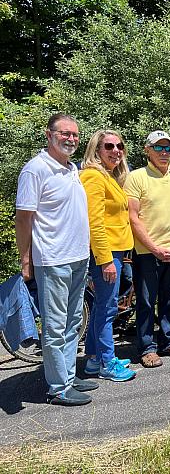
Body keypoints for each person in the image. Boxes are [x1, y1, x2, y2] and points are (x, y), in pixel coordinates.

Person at [15, 113, 96, 405]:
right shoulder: (35, 170)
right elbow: (23, 218)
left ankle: (68, 375)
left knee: (74, 321)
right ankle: (59, 388)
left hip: (77, 257)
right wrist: (26, 259)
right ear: (48, 135)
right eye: (64, 133)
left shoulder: (71, 168)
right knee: (55, 325)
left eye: (75, 134)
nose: (71, 139)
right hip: (52, 259)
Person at [125, 131, 170, 367]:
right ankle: (146, 348)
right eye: (158, 148)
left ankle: (168, 341)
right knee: (145, 300)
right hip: (146, 252)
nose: (164, 153)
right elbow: (132, 217)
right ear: (147, 150)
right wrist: (154, 248)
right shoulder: (136, 177)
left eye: (168, 148)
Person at [80, 130, 136, 381]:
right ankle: (107, 363)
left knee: (102, 306)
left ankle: (93, 359)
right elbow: (94, 222)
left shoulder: (110, 177)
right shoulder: (93, 177)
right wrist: (104, 260)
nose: (116, 150)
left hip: (116, 250)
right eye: (109, 146)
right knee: (107, 308)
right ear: (97, 150)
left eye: (119, 146)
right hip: (106, 252)